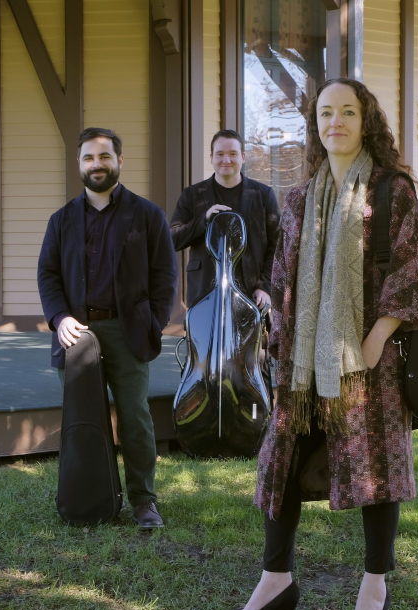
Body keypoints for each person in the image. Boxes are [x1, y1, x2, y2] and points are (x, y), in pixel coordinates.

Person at [222, 79, 418, 610]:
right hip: (303, 362)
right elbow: (284, 280)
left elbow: (413, 269)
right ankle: (275, 580)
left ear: (367, 120)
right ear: (314, 123)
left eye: (347, 111)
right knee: (282, 461)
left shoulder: (391, 190)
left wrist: (375, 339)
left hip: (369, 359)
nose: (334, 121)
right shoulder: (298, 198)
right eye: (324, 113)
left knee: (375, 468)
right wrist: (280, 345)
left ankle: (374, 585)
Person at [38, 128, 178, 530]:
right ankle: (87, 499)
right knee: (82, 420)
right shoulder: (61, 220)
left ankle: (144, 501)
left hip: (126, 331)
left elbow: (165, 276)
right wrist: (60, 318)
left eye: (104, 156)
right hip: (75, 335)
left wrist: (152, 322)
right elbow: (47, 275)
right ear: (78, 164)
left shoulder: (147, 215)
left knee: (134, 417)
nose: (96, 164)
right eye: (88, 157)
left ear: (119, 161)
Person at [170, 130, 280, 309]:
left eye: (233, 154)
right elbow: (173, 239)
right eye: (220, 154)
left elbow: (277, 246)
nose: (226, 160)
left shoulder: (263, 194)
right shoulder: (191, 195)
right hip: (204, 293)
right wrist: (204, 219)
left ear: (243, 157)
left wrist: (265, 286)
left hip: (251, 293)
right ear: (211, 157)